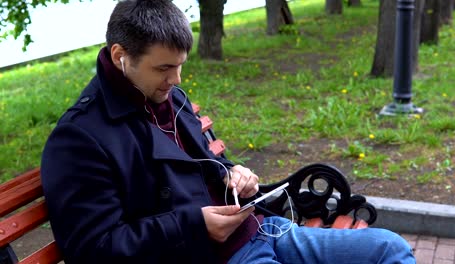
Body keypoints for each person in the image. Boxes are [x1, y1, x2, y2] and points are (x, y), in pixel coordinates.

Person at [40, 0, 415, 263]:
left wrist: (235, 175)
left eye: (181, 66)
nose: (176, 79)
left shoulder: (171, 97)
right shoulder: (80, 139)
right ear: (121, 56)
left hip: (263, 231)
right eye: (163, 69)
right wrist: (194, 225)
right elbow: (95, 248)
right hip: (207, 255)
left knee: (390, 249)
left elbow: (205, 165)